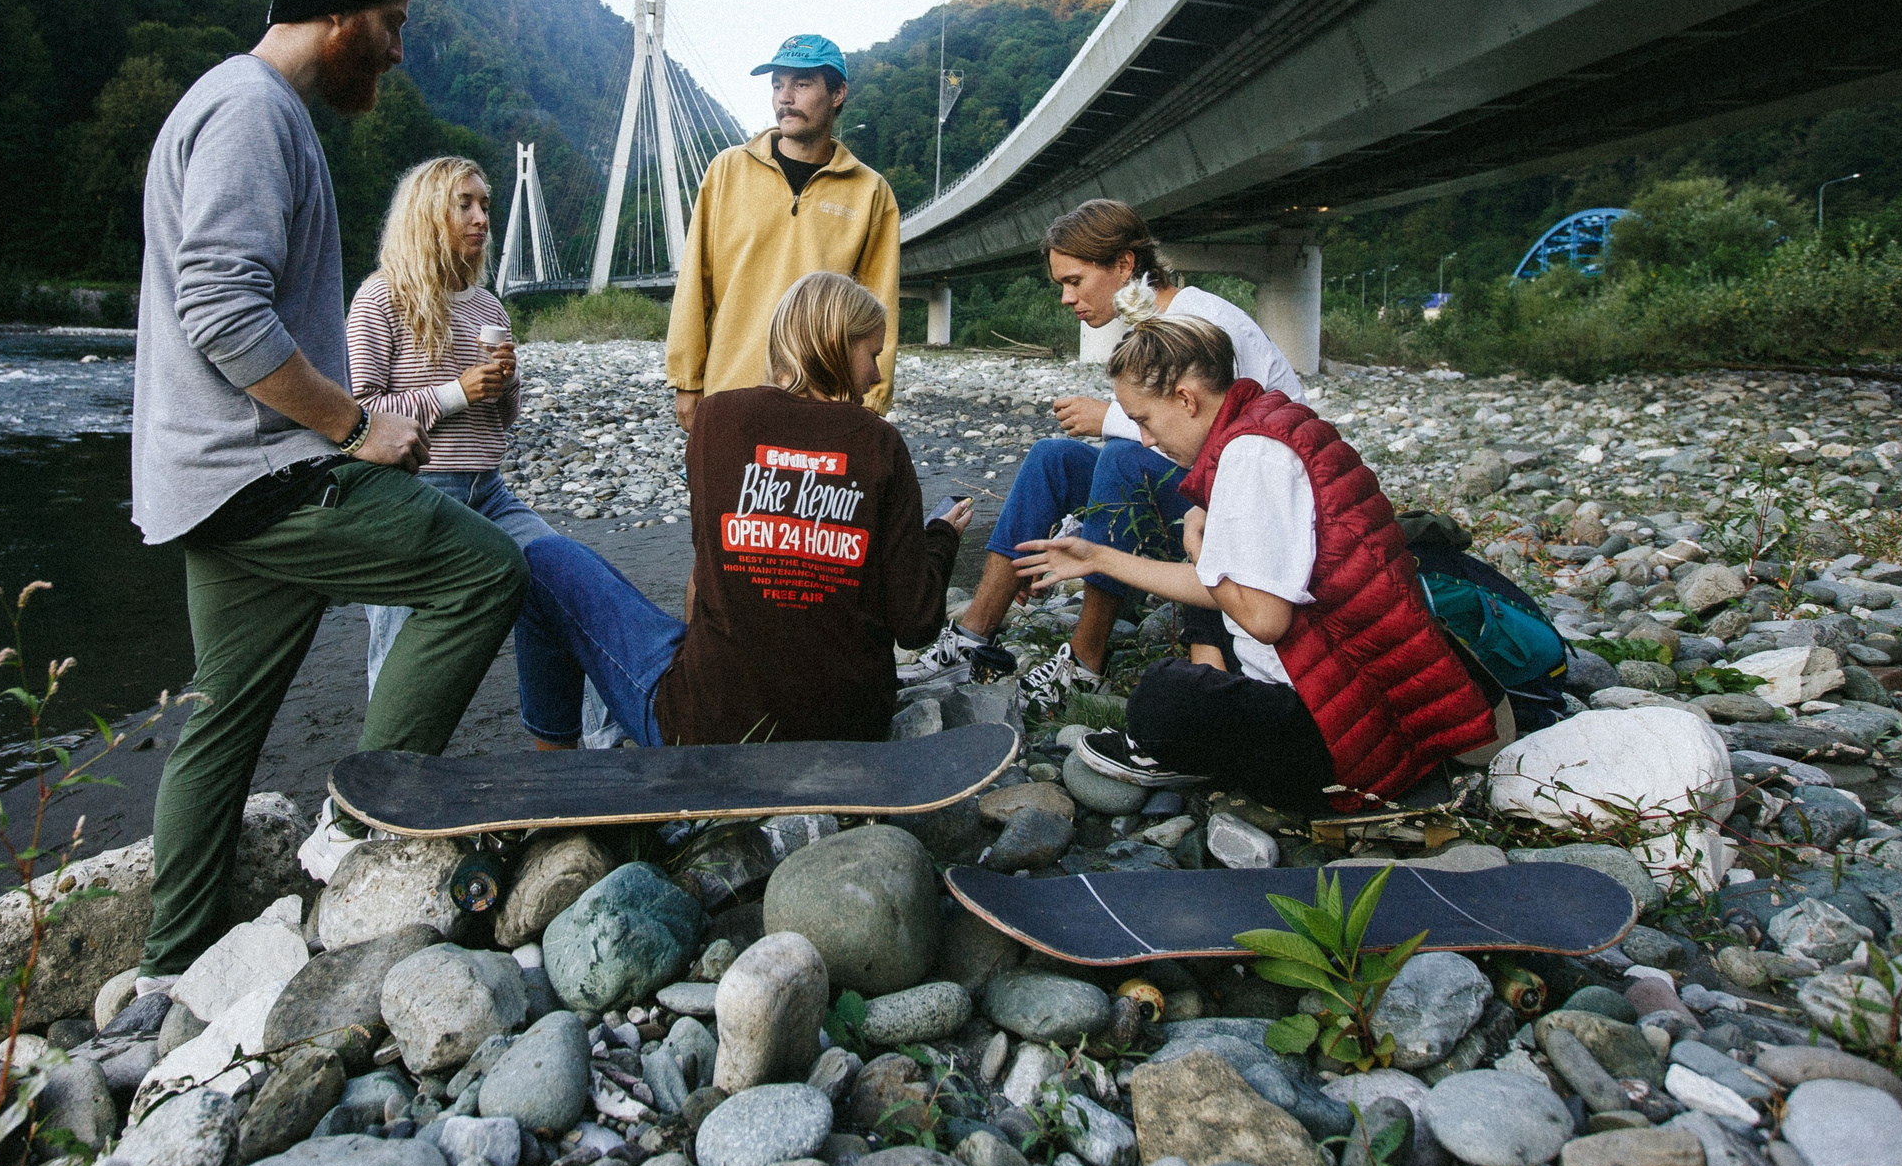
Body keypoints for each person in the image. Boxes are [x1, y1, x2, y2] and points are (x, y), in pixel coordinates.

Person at [129, 0, 530, 990]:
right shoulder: (253, 110)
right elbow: (221, 308)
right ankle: (361, 838)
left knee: (222, 716)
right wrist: (355, 424)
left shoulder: (234, 103)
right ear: (340, 16)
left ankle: (169, 972)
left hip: (205, 476)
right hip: (268, 473)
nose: (397, 53)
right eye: (390, 25)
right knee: (484, 570)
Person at [1015, 316, 1496, 813]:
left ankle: (1194, 744)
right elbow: (1233, 588)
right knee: (1212, 597)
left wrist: (1202, 552)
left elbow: (1266, 620)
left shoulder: (1251, 458)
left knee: (1159, 698)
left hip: (1344, 738)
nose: (1145, 440)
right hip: (1354, 687)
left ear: (1185, 399)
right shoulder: (1267, 422)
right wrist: (1097, 556)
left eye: (1145, 420)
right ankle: (1211, 715)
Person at [517, 272, 972, 746]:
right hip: (851, 730)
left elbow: (710, 568)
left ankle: (555, 773)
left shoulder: (716, 419)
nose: (877, 375)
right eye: (872, 354)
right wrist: (939, 539)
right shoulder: (881, 444)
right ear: (835, 343)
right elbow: (916, 624)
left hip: (714, 731)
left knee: (542, 561)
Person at [897, 199, 1303, 707]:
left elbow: (1224, 440)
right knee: (1051, 458)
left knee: (1119, 460)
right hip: (1198, 487)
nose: (1067, 298)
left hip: (1248, 511)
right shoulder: (1153, 320)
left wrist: (1109, 418)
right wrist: (1070, 532)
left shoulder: (1201, 322)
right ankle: (973, 635)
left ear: (1124, 264)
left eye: (1075, 281)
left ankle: (1085, 663)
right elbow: (1175, 439)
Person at [346, 155, 618, 745]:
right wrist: (457, 391)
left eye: (486, 206)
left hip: (488, 489)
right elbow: (360, 415)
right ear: (427, 214)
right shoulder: (380, 297)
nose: (480, 218)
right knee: (400, 641)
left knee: (565, 577)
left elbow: (501, 419)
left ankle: (606, 744)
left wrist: (506, 383)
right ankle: (387, 771)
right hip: (409, 491)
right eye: (464, 205)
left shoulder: (488, 306)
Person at [667, 35, 901, 427]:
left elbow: (880, 305)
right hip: (731, 390)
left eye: (801, 84)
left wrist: (872, 401)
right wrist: (686, 379)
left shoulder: (870, 192)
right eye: (777, 85)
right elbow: (695, 283)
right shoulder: (727, 171)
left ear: (838, 94)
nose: (785, 98)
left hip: (824, 403)